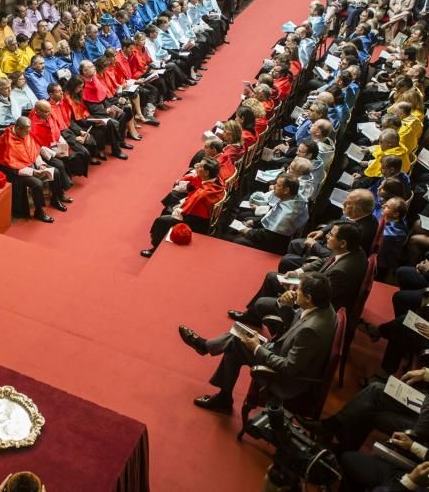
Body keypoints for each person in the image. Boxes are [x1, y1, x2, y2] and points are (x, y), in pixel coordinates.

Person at [178, 273, 337, 414]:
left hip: (286, 379)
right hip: (284, 352)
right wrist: (283, 305)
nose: (295, 293)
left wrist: (257, 348)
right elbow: (294, 325)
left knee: (236, 342)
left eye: (298, 290)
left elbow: (289, 368)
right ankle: (219, 386)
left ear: (309, 298)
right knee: (238, 338)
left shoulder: (311, 330)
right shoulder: (323, 307)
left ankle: (205, 350)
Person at [230, 221, 368, 325]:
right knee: (272, 277)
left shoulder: (342, 271)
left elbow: (319, 299)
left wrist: (296, 287)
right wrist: (298, 272)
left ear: (342, 243)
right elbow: (326, 260)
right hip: (316, 287)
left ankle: (258, 318)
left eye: (331, 235)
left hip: (316, 310)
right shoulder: (355, 250)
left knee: (262, 302)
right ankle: (252, 317)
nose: (326, 236)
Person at [0, 116, 71, 223]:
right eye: (26, 131)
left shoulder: (25, 133)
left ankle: (55, 199)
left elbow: (35, 151)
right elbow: (11, 166)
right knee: (37, 183)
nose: (27, 134)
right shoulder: (7, 141)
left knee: (56, 172)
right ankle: (39, 211)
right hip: (18, 172)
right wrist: (33, 172)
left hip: (33, 166)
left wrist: (41, 165)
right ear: (18, 128)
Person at [142, 158, 225, 257]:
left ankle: (155, 248)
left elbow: (183, 213)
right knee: (169, 208)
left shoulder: (202, 194)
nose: (197, 166)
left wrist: (176, 209)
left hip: (196, 223)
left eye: (200, 166)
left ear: (206, 172)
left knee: (161, 221)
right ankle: (162, 236)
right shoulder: (215, 181)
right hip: (203, 217)